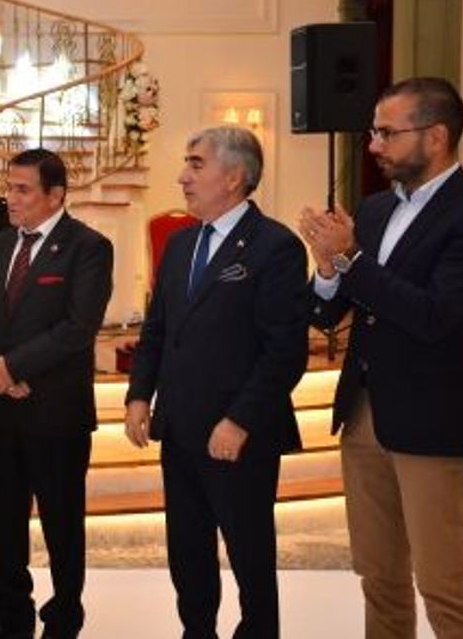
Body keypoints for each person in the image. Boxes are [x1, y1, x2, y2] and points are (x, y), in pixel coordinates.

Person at [299, 77, 463, 638]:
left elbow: (436, 317)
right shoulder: (376, 208)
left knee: (442, 581)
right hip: (364, 413)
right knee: (378, 576)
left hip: (433, 419)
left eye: (387, 132)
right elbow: (329, 312)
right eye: (374, 131)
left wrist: (352, 259)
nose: (374, 145)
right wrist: (328, 269)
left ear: (436, 136)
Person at [124, 126, 308, 639]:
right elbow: (158, 330)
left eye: (196, 164)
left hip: (238, 436)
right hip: (179, 428)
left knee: (250, 555)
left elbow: (284, 351)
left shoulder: (275, 246)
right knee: (187, 552)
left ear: (234, 176)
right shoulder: (181, 243)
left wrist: (239, 420)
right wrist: (139, 394)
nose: (183, 176)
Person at [0, 148, 113, 639]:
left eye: (22, 189)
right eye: (8, 187)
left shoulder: (88, 247)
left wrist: (14, 366)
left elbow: (78, 327)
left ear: (56, 195)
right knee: (1, 526)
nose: (10, 198)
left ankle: (64, 618)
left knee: (61, 525)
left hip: (56, 412)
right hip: (3, 410)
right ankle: (10, 616)